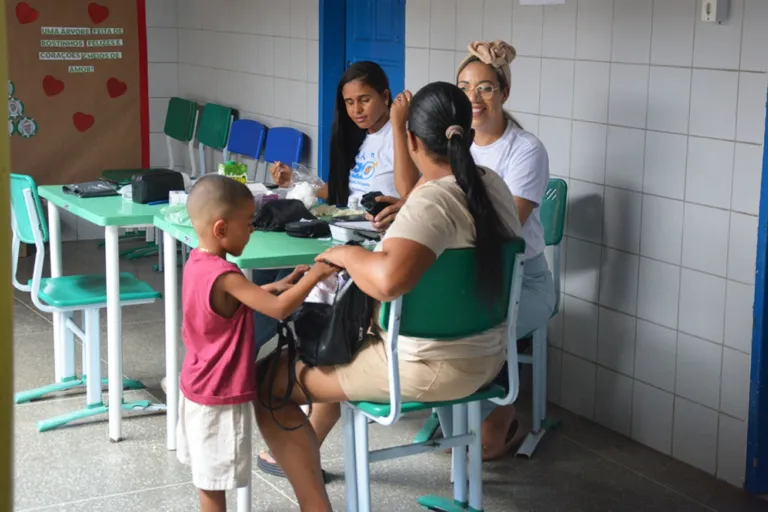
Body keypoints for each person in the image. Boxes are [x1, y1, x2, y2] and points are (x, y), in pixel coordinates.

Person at [253, 81, 524, 510]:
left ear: (412, 140)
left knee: (269, 383)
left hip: (426, 365)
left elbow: (388, 281)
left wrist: (345, 254)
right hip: (489, 359)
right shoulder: (493, 187)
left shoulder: (433, 200)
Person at [176, 175, 336, 512]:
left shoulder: (198, 264)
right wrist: (313, 278)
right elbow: (278, 310)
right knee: (214, 488)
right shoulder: (228, 276)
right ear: (221, 229)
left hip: (196, 386)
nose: (252, 230)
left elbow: (235, 303)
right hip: (221, 393)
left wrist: (283, 282)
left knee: (208, 483)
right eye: (248, 223)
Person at [253, 61, 419, 355]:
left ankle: (233, 359)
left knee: (283, 286)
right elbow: (346, 194)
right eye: (350, 102)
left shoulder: (401, 137)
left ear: (385, 96)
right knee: (266, 273)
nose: (357, 110)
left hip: (370, 244)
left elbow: (408, 192)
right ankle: (243, 356)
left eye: (365, 100)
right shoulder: (362, 138)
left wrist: (398, 125)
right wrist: (294, 181)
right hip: (342, 232)